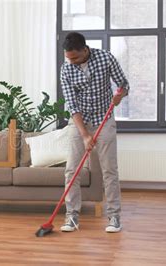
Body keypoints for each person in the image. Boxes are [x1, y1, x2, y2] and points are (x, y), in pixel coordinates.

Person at [60, 32, 129, 233]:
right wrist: (84, 135)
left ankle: (114, 217)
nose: (70, 61)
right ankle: (71, 217)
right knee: (72, 170)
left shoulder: (106, 58)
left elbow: (123, 84)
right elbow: (72, 105)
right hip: (79, 122)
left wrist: (120, 96)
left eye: (74, 57)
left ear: (85, 49)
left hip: (104, 120)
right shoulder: (66, 69)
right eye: (67, 57)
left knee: (109, 170)